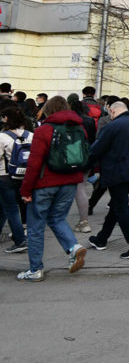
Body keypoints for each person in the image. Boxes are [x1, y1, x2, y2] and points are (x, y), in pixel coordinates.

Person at [16, 96, 87, 281]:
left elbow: (34, 163)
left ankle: (36, 269)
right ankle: (73, 247)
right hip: (70, 182)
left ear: (48, 110)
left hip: (44, 184)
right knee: (57, 218)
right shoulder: (79, 128)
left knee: (35, 227)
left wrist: (25, 190)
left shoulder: (43, 130)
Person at [87, 101, 129, 259]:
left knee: (121, 208)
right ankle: (101, 239)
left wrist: (84, 166)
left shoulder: (112, 126)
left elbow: (96, 150)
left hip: (116, 172)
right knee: (116, 205)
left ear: (113, 111)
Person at [0, 106, 30, 253]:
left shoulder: (2, 136)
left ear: (6, 119)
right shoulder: (30, 135)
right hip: (25, 175)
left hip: (5, 176)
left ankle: (19, 240)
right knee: (5, 207)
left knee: (11, 209)